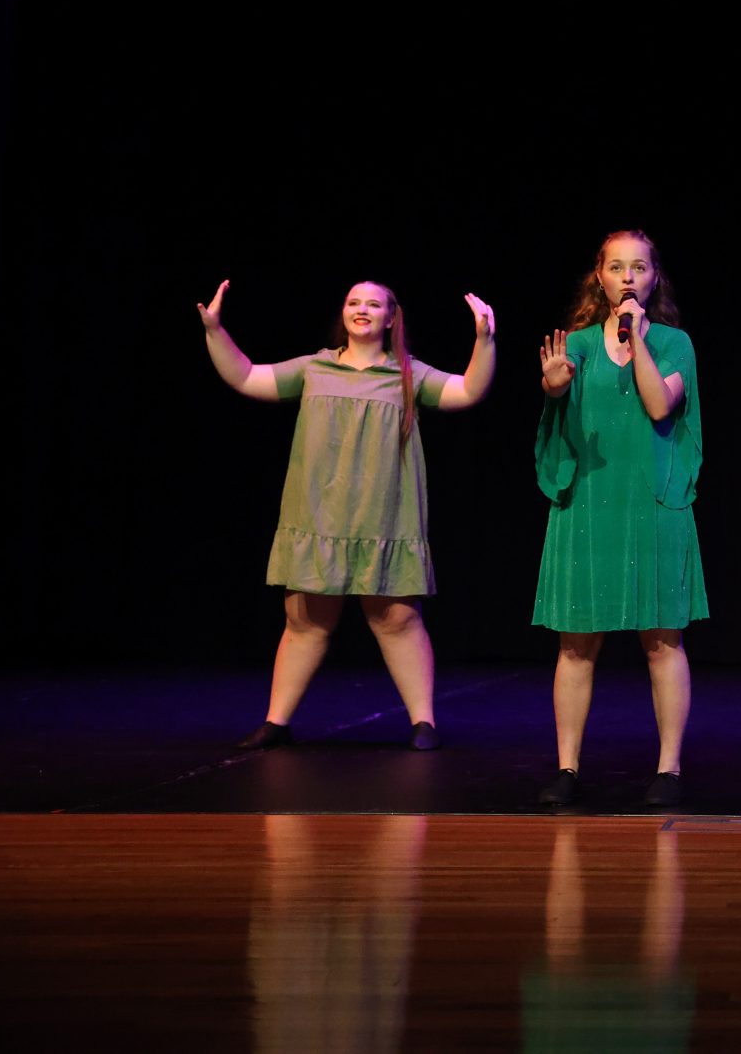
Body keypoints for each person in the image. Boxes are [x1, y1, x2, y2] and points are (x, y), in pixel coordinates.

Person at [198, 278, 496, 751]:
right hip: (320, 514)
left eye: (373, 304)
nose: (362, 309)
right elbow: (246, 376)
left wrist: (484, 340)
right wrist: (215, 330)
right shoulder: (314, 367)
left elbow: (468, 392)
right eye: (354, 302)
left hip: (384, 516)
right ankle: (276, 722)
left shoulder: (407, 375)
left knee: (397, 618)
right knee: (304, 619)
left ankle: (424, 723)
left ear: (390, 317)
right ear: (343, 313)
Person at [532, 231, 706, 808]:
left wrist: (639, 342)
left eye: (638, 268)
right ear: (599, 278)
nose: (627, 277)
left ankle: (670, 768)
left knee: (662, 641)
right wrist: (554, 388)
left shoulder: (676, 344)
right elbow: (556, 398)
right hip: (588, 506)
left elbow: (659, 405)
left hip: (653, 505)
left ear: (654, 278)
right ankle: (566, 768)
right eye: (616, 267)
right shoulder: (576, 344)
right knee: (576, 645)